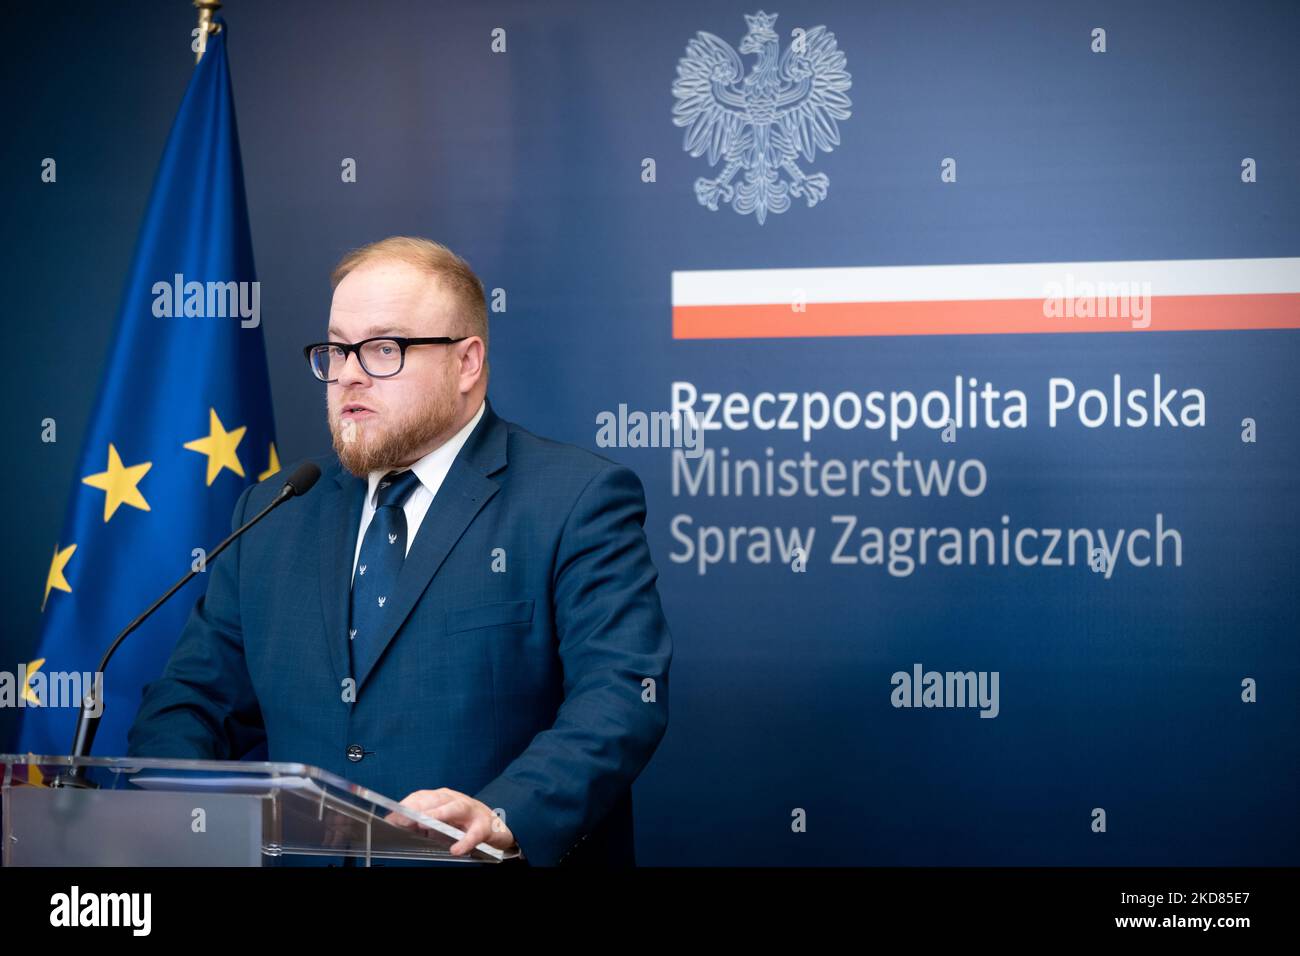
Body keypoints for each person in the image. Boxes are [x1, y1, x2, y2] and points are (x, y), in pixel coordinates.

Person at [127, 236, 673, 866]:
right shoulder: (276, 509)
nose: (349, 373)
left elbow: (621, 696)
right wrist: (180, 809)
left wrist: (502, 814)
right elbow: (193, 702)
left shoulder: (574, 500)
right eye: (336, 349)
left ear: (467, 363)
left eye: (384, 348)